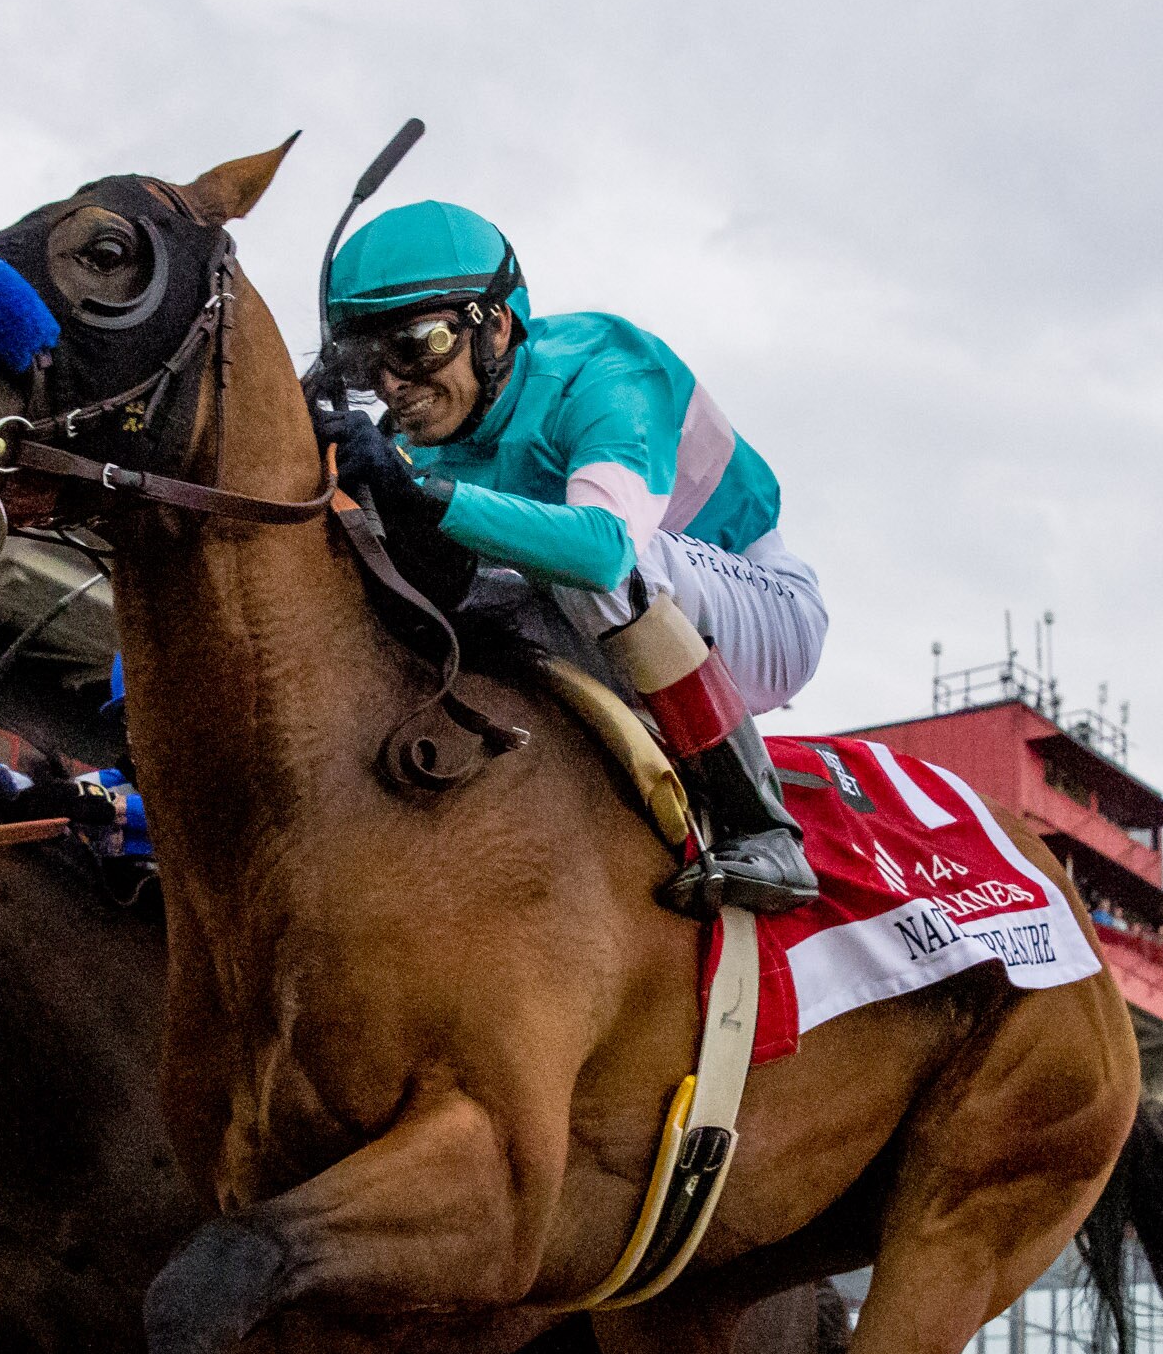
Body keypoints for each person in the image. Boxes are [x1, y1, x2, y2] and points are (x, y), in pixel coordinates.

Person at [315, 200, 826, 912]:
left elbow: (603, 552)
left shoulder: (607, 367)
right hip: (609, 624)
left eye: (416, 345)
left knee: (588, 567)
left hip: (766, 612)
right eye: (368, 363)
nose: (393, 385)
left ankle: (763, 827)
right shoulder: (416, 437)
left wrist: (417, 492)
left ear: (493, 324)